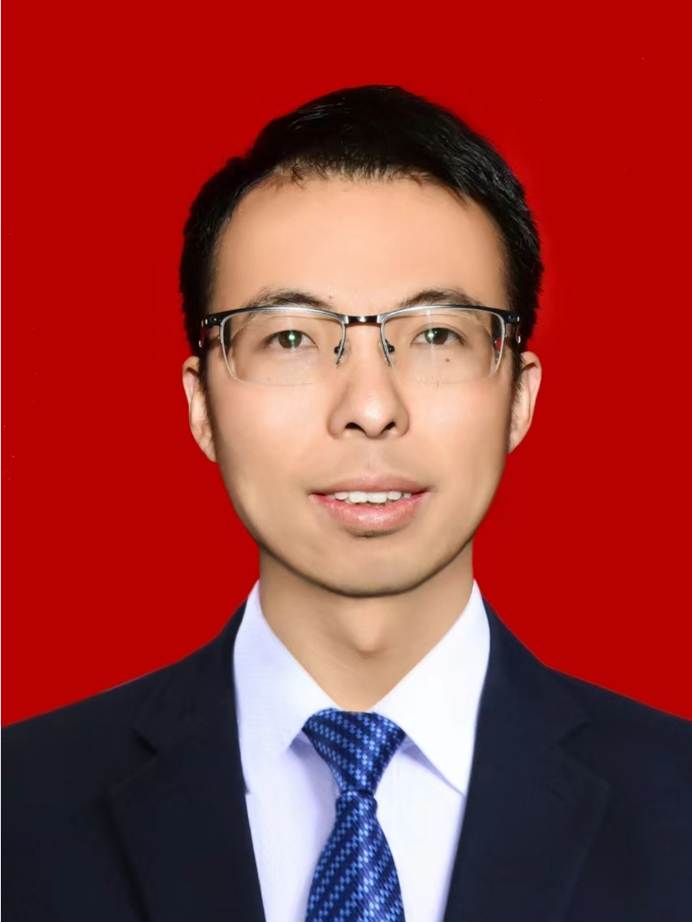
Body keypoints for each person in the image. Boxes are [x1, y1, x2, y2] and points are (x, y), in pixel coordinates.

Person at [3, 85, 691, 922]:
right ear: (200, 403)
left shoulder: (676, 807)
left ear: (519, 396)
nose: (370, 407)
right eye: (291, 338)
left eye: (436, 335)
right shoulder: (20, 811)